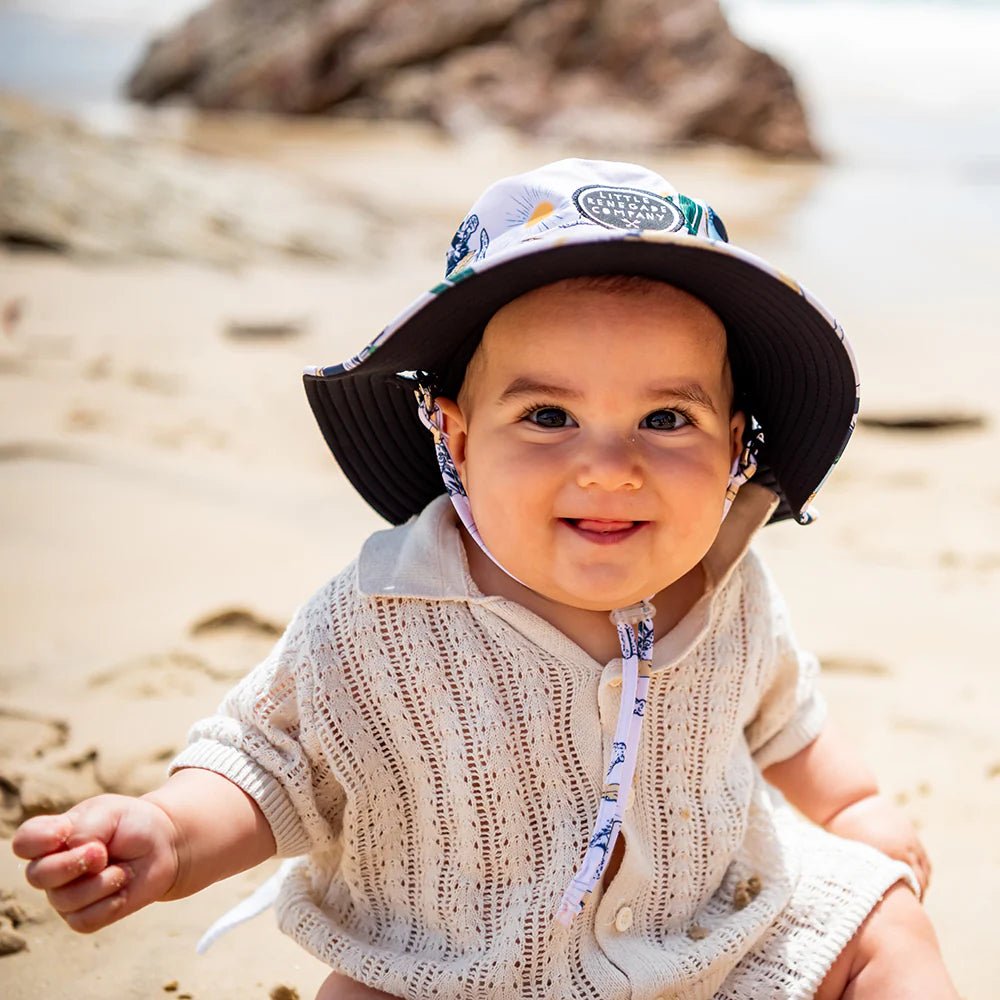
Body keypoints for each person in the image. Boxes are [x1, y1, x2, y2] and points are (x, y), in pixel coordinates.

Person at [13, 160, 958, 999]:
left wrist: (853, 808)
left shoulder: (730, 589)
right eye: (548, 413)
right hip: (457, 968)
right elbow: (271, 763)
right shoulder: (380, 616)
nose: (609, 466)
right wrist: (171, 835)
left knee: (884, 929)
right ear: (456, 440)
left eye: (667, 420)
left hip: (712, 939)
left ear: (737, 451)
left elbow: (786, 717)